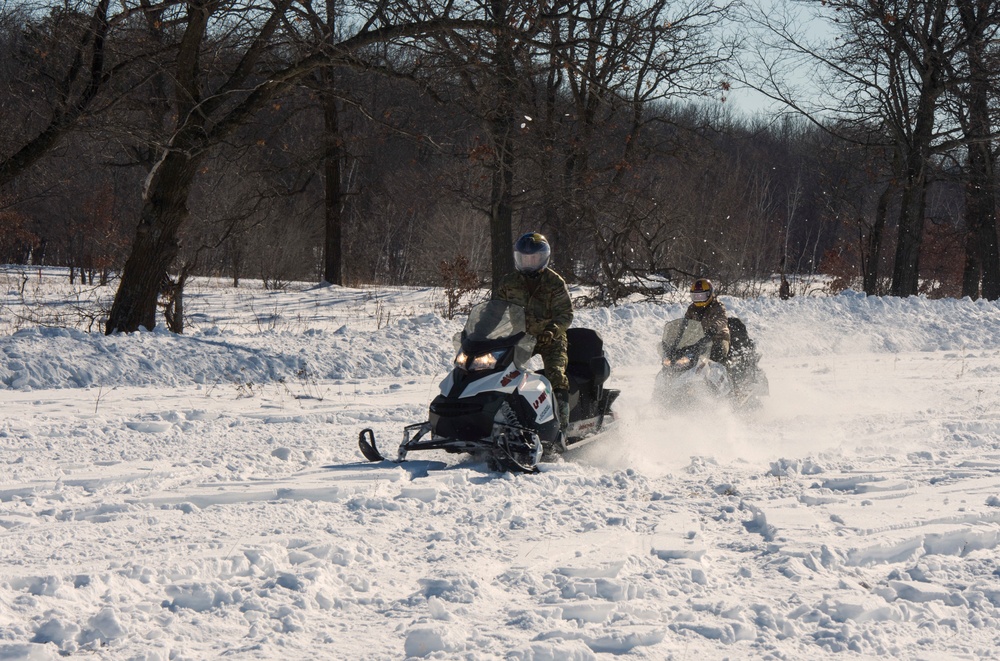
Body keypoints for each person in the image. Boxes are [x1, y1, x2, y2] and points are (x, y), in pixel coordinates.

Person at [495, 232, 574, 437]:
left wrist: (552, 331)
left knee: (556, 375)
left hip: (551, 338)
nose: (529, 262)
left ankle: (561, 429)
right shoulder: (508, 282)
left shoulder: (554, 282)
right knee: (498, 372)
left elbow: (566, 314)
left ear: (543, 258)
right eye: (524, 258)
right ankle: (497, 419)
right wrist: (482, 331)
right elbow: (494, 311)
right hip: (520, 338)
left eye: (534, 258)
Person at [685, 278, 730, 363]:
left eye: (701, 296)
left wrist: (714, 328)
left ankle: (721, 372)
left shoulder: (717, 306)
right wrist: (682, 329)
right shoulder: (692, 308)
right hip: (699, 339)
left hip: (718, 337)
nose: (698, 299)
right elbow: (686, 321)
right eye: (696, 296)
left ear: (709, 294)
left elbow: (722, 319)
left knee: (718, 351)